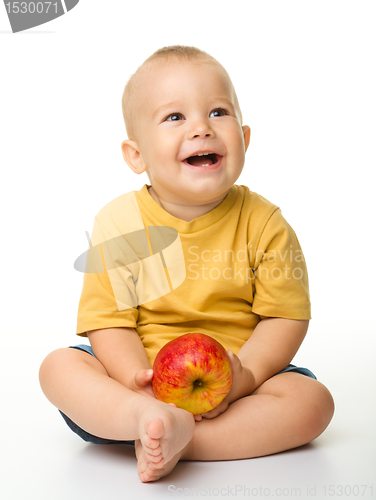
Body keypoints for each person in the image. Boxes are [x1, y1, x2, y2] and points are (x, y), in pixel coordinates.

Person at [39, 45, 334, 483]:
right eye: (175, 117)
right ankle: (143, 418)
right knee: (58, 368)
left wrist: (246, 377)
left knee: (312, 401)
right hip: (140, 376)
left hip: (234, 384)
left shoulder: (266, 224)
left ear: (245, 138)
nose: (201, 128)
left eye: (218, 112)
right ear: (136, 156)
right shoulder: (119, 223)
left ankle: (177, 439)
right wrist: (136, 383)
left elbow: (283, 318)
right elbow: (109, 322)